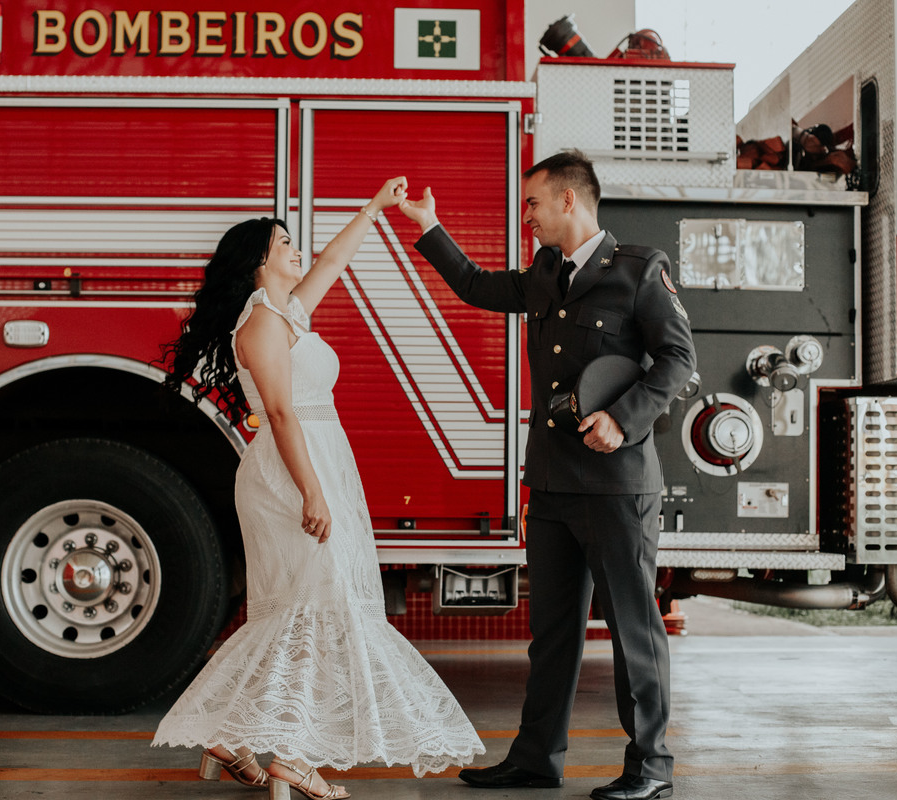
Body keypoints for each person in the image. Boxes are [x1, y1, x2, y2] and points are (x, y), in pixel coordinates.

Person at [152, 176, 484, 799]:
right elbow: (280, 414)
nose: (295, 247)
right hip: (291, 472)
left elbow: (332, 262)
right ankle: (291, 757)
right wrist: (311, 492)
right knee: (317, 607)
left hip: (316, 461)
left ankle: (231, 735)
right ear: (258, 262)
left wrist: (374, 208)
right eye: (283, 242)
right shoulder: (260, 324)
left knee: (303, 608)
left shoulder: (286, 313)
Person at [398, 149, 695, 800]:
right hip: (554, 483)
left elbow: (678, 359)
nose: (526, 215)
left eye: (533, 203)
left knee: (633, 630)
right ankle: (537, 758)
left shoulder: (639, 270)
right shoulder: (544, 272)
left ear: (568, 199)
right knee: (552, 634)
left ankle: (651, 767)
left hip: (617, 485)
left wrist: (623, 418)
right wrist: (428, 227)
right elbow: (476, 286)